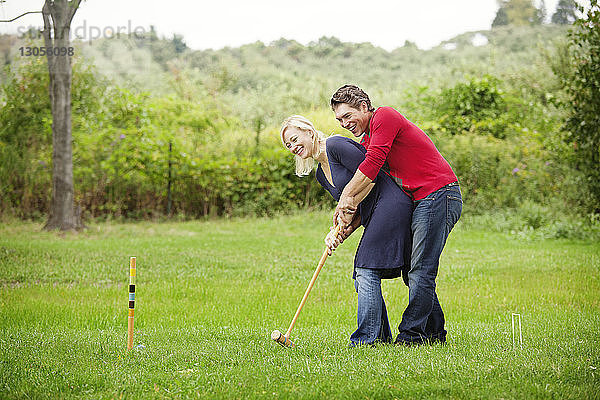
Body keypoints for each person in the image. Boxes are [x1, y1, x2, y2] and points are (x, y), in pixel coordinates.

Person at [328, 84, 462, 346]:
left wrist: (346, 197)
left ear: (364, 107)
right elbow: (370, 183)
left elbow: (373, 162)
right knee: (413, 271)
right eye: (339, 120)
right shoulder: (367, 138)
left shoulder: (385, 117)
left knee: (421, 271)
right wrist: (347, 222)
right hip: (421, 200)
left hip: (439, 194)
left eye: (347, 116)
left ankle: (411, 336)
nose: (344, 124)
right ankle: (435, 333)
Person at [280, 115, 413, 346]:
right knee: (363, 274)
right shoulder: (321, 174)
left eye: (294, 139)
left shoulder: (336, 146)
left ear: (309, 132)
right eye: (288, 145)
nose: (292, 147)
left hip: (391, 202)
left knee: (365, 268)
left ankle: (366, 340)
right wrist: (340, 232)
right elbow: (355, 207)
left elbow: (372, 176)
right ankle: (379, 337)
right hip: (373, 213)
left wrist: (346, 212)